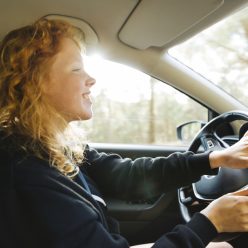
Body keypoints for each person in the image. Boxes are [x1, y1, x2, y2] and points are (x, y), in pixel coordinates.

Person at [0, 18, 247, 248]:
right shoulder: (27, 174)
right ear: (35, 82)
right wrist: (210, 222)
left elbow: (128, 175)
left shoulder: (54, 147)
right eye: (76, 69)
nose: (91, 79)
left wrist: (215, 159)